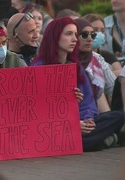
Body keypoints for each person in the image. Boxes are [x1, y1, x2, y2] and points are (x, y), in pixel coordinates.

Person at [31, 17, 124, 151]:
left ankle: (92, 140)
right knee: (56, 136)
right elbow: (37, 110)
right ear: (55, 36)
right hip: (53, 127)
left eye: (75, 34)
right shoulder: (39, 67)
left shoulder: (75, 66)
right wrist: (72, 124)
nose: (75, 39)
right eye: (68, 34)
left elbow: (88, 102)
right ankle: (101, 141)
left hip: (79, 122)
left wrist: (87, 120)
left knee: (117, 116)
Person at [74, 18, 116, 112]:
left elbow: (112, 88)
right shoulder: (64, 59)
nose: (90, 39)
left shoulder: (97, 59)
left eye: (93, 35)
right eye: (84, 35)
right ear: (74, 36)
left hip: (94, 113)